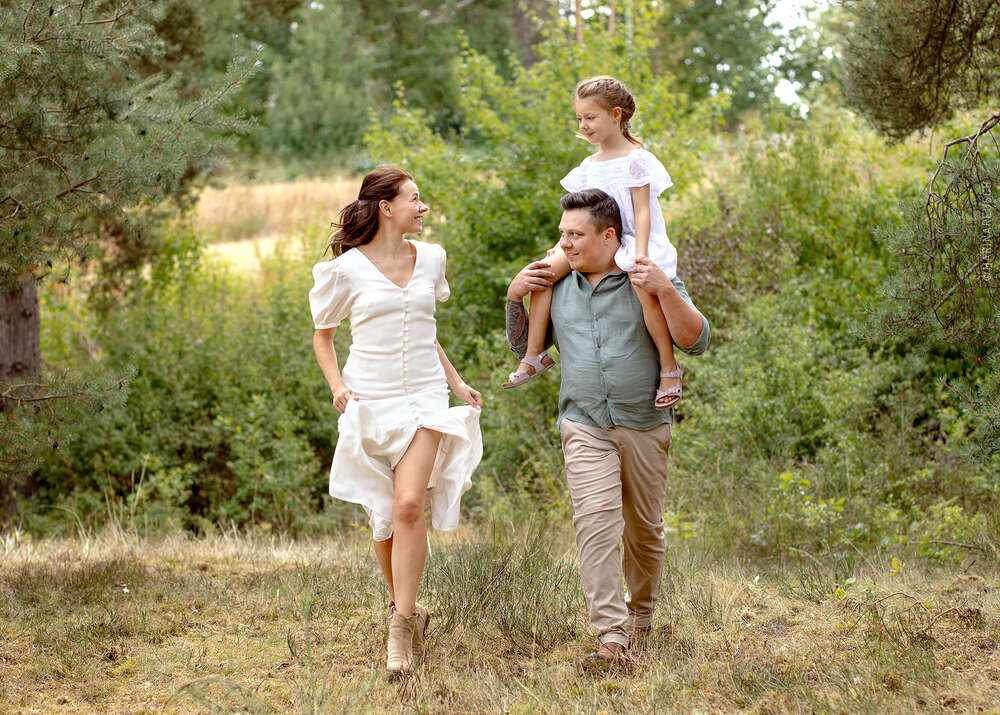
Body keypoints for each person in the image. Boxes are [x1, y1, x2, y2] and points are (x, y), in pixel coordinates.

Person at [505, 189, 709, 669]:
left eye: (575, 235)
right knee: (595, 527)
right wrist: (515, 294)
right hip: (584, 424)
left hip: (644, 423)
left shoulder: (646, 276)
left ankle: (642, 618)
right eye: (562, 235)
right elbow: (523, 350)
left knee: (644, 531)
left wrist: (664, 288)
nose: (565, 245)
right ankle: (612, 639)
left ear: (608, 236)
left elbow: (696, 340)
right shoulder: (555, 287)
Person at [310, 167, 483, 676]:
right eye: (415, 199)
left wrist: (455, 384)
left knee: (409, 506)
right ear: (387, 207)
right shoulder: (347, 270)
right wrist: (337, 386)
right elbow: (324, 337)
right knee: (384, 517)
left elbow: (424, 332)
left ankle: (400, 628)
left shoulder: (432, 258)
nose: (423, 207)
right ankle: (406, 608)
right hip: (371, 397)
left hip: (425, 398)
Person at [504, 76, 683, 409]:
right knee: (543, 272)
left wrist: (641, 254)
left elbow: (642, 213)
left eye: (590, 117)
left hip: (628, 238)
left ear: (615, 115)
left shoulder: (635, 159)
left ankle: (669, 368)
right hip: (592, 240)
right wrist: (561, 245)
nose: (583, 125)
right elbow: (577, 215)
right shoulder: (587, 166)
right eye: (580, 119)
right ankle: (533, 355)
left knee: (643, 286)